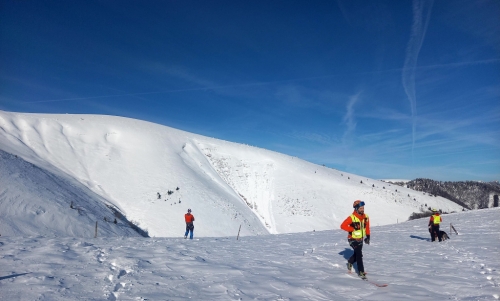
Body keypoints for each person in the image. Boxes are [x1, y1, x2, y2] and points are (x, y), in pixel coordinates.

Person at [340, 200, 371, 279]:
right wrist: (352, 229)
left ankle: (350, 262)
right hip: (352, 239)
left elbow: (367, 227)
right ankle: (361, 272)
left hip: (360, 239)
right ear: (356, 208)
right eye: (360, 208)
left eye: (363, 207)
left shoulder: (366, 217)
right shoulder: (352, 217)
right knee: (359, 255)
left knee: (358, 254)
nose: (362, 209)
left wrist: (368, 236)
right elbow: (342, 226)